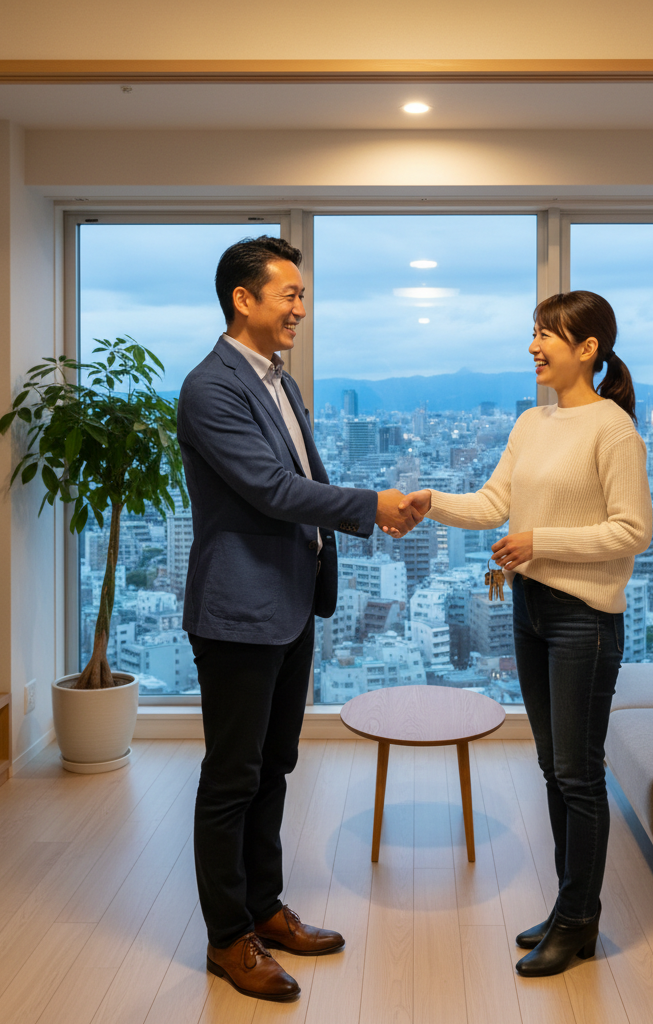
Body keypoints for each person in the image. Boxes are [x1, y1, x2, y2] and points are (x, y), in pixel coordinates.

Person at [177, 235, 420, 1002]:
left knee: (274, 767)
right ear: (242, 299)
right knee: (231, 777)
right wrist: (369, 508)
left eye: (303, 295)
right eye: (289, 294)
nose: (301, 309)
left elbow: (298, 479)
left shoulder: (279, 380)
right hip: (238, 609)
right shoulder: (210, 387)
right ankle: (227, 939)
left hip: (287, 604)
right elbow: (273, 490)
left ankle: (263, 907)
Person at [399, 290, 652, 977]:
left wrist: (541, 542)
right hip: (531, 608)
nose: (534, 346)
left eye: (547, 335)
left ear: (588, 349)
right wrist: (431, 502)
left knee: (577, 773)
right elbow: (491, 503)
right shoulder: (532, 423)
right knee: (551, 767)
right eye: (534, 333)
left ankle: (579, 919)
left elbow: (635, 531)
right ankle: (571, 905)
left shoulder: (614, 430)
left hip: (585, 619)